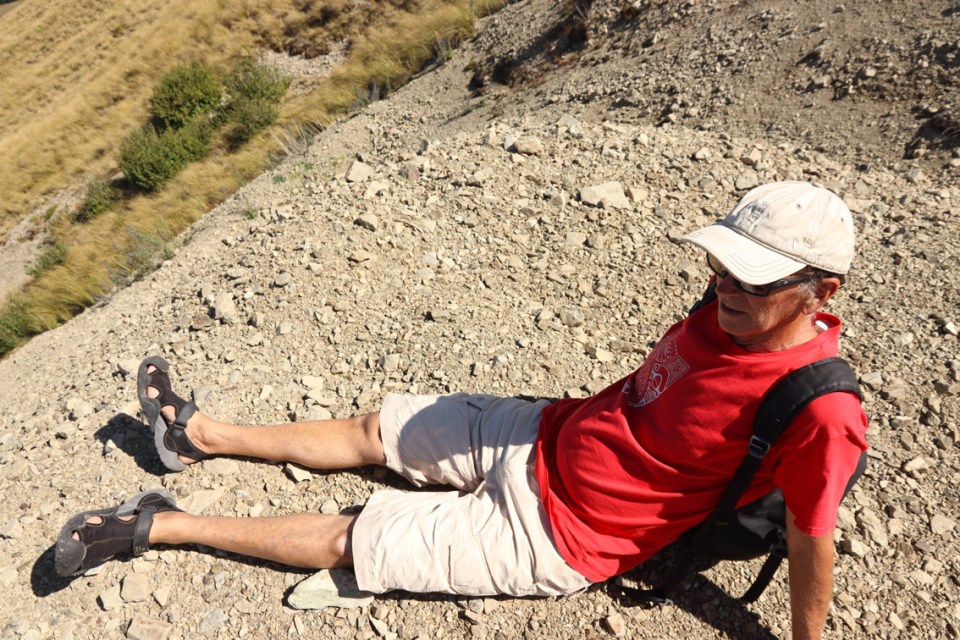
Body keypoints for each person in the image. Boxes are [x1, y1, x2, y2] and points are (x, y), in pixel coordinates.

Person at [54, 181, 868, 639]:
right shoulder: (729, 310)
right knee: (378, 431)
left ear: (821, 291)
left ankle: (159, 524)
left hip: (562, 535)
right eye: (720, 267)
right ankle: (198, 435)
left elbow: (811, 535)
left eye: (751, 279)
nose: (724, 288)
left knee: (356, 539)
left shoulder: (820, 410)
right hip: (544, 432)